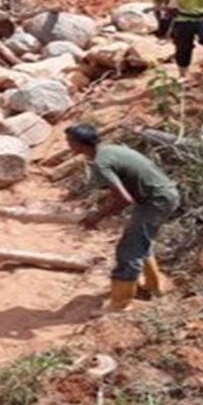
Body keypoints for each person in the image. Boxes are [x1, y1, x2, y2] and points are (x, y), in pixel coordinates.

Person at [65, 124, 180, 312]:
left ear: (79, 143)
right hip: (162, 195)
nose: (68, 145)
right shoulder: (109, 150)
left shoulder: (101, 162)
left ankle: (120, 304)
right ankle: (153, 286)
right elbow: (121, 191)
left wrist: (97, 216)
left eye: (70, 142)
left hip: (156, 201)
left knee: (128, 250)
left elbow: (124, 199)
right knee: (140, 241)